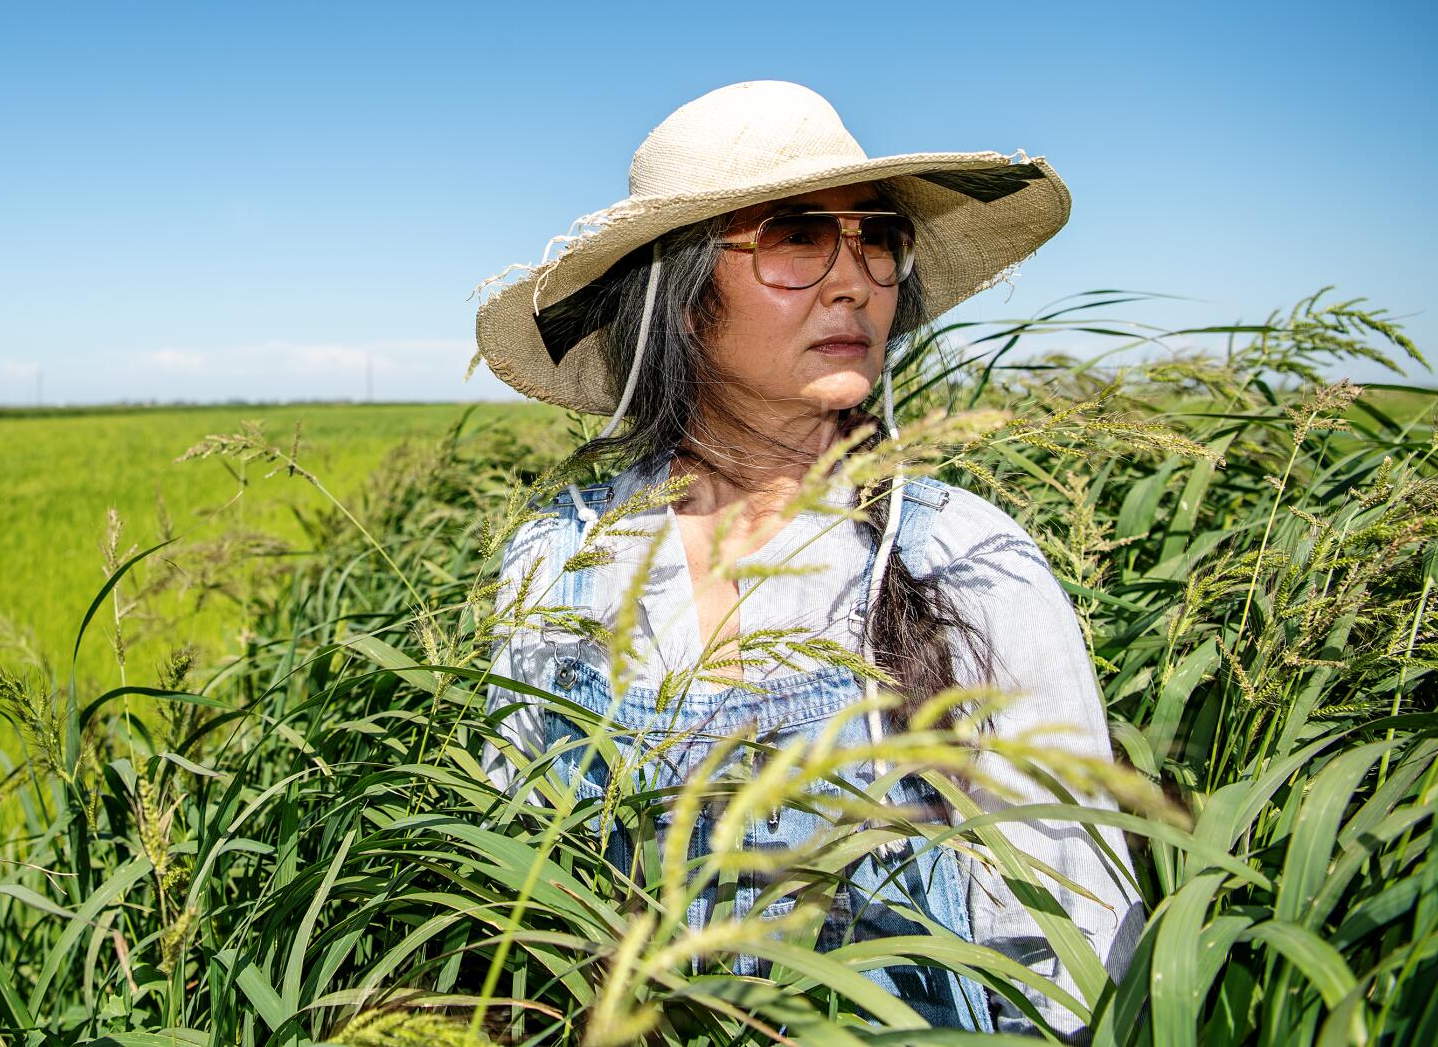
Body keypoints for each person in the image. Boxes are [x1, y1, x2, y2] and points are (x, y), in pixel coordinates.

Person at [471, 80, 1144, 1036]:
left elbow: (1075, 948)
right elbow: (526, 901)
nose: (855, 279)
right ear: (679, 293)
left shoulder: (962, 559)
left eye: (876, 237)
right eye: (795, 235)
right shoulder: (563, 561)